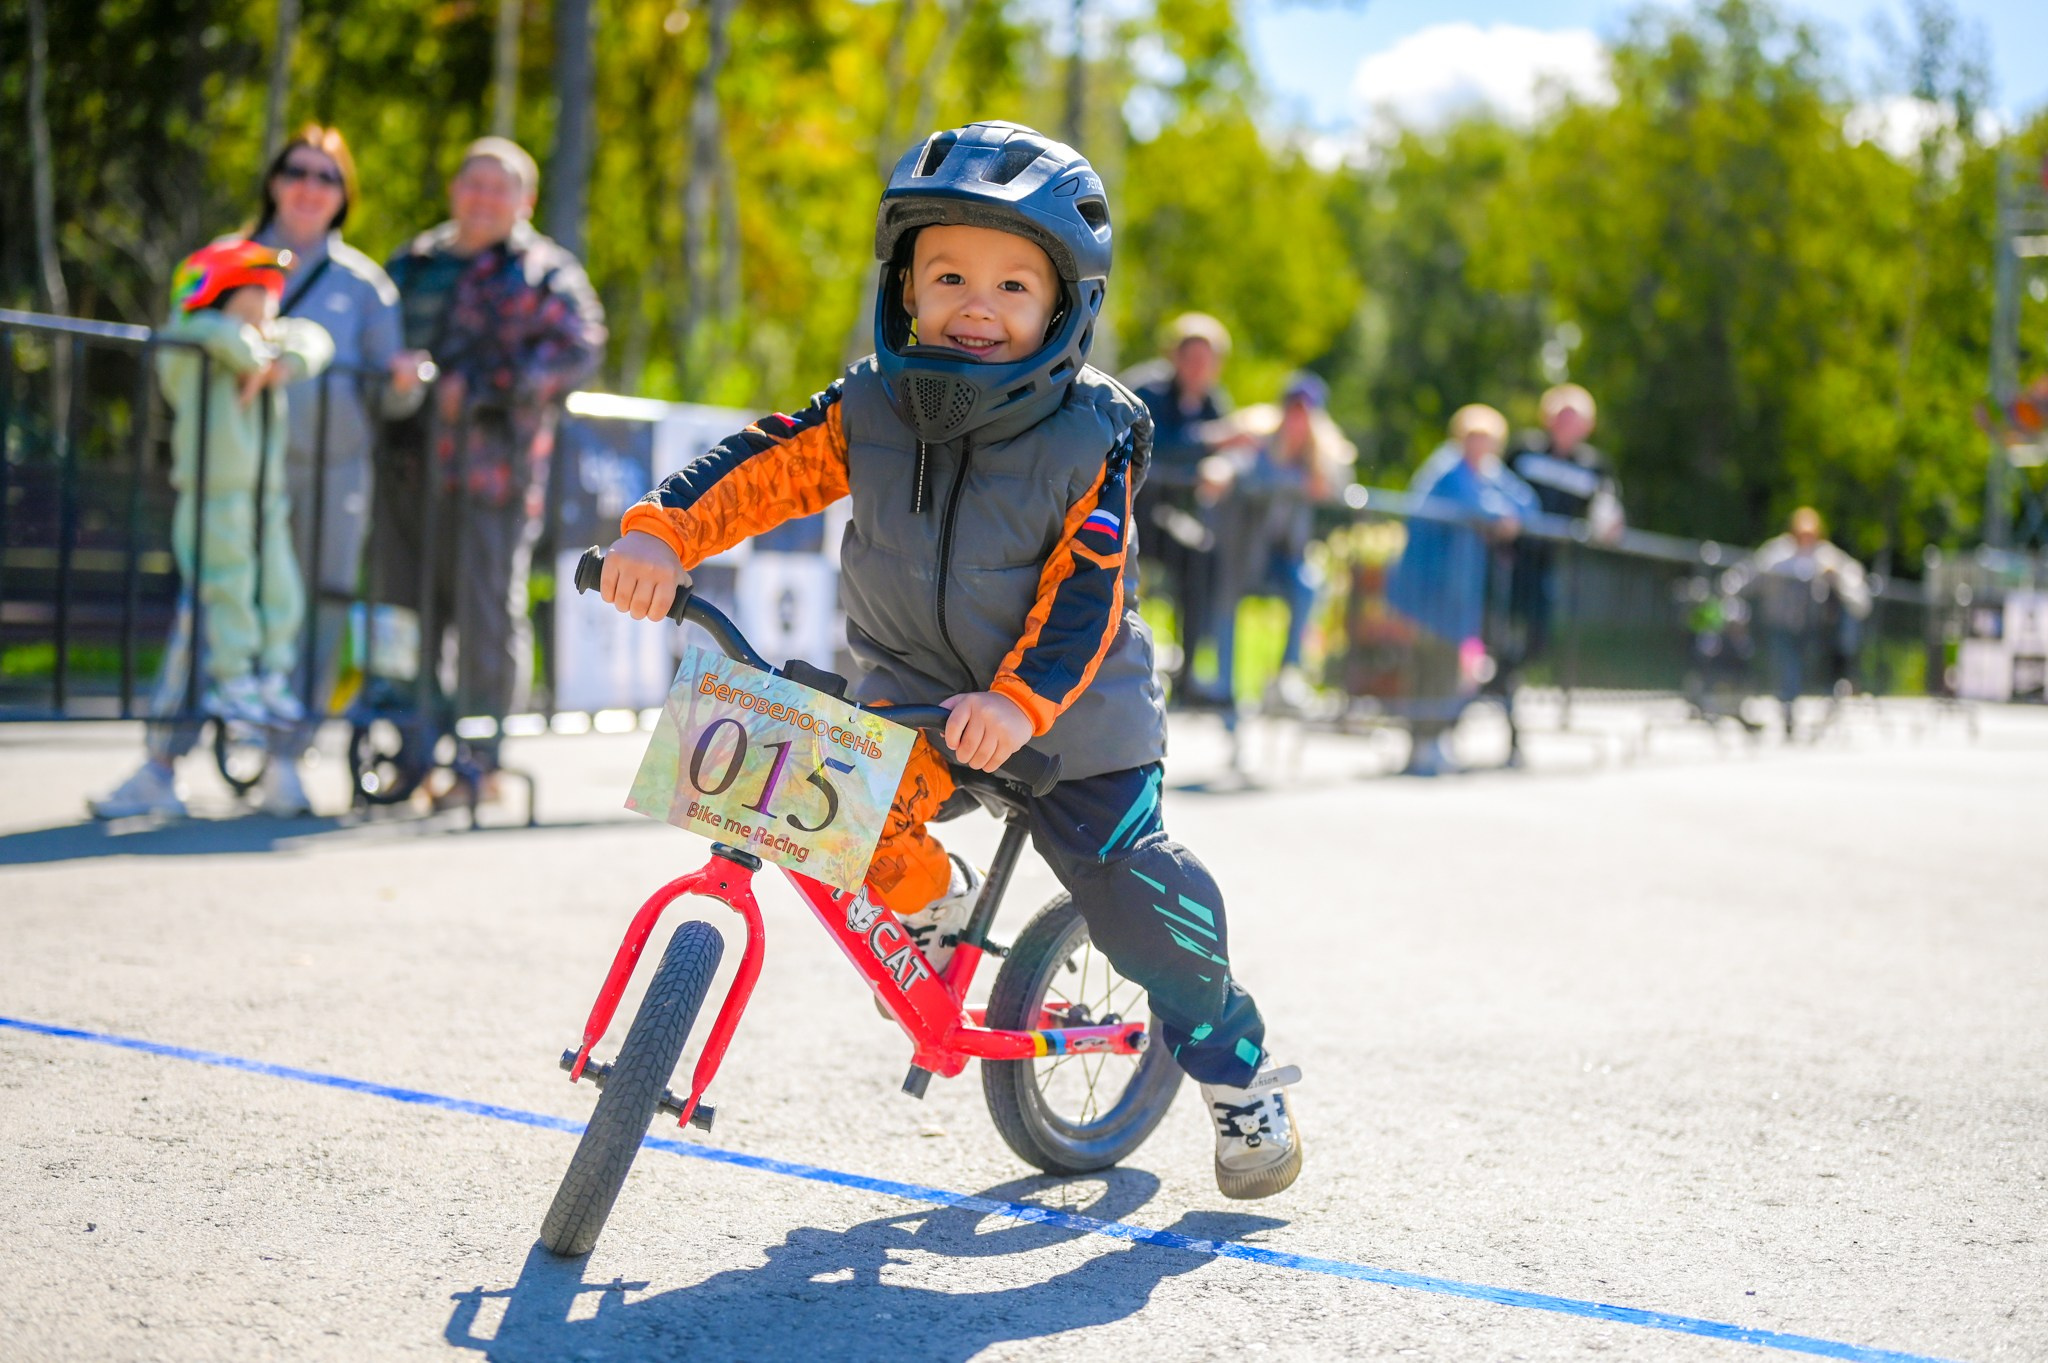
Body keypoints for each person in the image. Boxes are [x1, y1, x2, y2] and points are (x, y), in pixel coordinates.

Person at [599, 121, 1302, 1199]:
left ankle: (1231, 1064)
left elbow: (1085, 590)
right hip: (918, 702)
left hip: (1071, 725)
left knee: (1134, 900)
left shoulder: (1093, 429)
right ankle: (934, 905)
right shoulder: (871, 404)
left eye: (1013, 285)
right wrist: (663, 531)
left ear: (1065, 307)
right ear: (904, 287)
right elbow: (763, 464)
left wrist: (1021, 703)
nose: (977, 304)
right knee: (812, 780)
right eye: (948, 275)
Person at [373, 137, 606, 794]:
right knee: (400, 611)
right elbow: (377, 339)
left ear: (524, 201)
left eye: (499, 187)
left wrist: (484, 387)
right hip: (404, 468)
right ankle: (406, 750)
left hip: (491, 474)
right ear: (454, 190)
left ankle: (481, 760)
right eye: (473, 183)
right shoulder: (414, 262)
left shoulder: (541, 271)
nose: (483, 197)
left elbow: (581, 345)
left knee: (485, 615)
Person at [88, 240, 334, 819]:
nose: (271, 311)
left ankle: (269, 677)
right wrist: (251, 350)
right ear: (221, 294)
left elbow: (315, 340)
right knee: (224, 592)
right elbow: (205, 333)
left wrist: (279, 363)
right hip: (213, 499)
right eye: (259, 296)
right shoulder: (190, 343)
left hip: (261, 500)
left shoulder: (264, 345)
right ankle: (232, 684)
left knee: (280, 594)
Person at [1386, 404, 1539, 776]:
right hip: (1428, 584)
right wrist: (1501, 517)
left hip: (1456, 588)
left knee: (1446, 662)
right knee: (1429, 662)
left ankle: (1432, 739)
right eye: (1474, 438)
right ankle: (1422, 741)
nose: (1480, 447)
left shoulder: (1485, 473)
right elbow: (1477, 507)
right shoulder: (1447, 469)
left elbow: (1526, 505)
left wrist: (1507, 515)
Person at [1205, 371, 1355, 711]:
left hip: (1285, 556)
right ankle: (1223, 687)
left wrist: (1311, 479)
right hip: (1243, 550)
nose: (1298, 418)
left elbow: (1340, 487)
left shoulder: (1320, 457)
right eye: (1294, 408)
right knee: (1226, 605)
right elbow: (1240, 470)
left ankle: (1287, 677)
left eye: (1306, 412)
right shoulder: (1260, 442)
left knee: (1308, 585)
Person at [1126, 313, 1235, 705]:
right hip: (1124, 514)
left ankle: (1188, 675)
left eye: (1206, 362)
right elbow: (1150, 444)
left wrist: (1222, 464)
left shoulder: (1213, 403)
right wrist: (1209, 443)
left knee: (1204, 558)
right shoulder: (1147, 390)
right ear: (1174, 357)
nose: (1198, 369)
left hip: (1167, 518)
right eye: (1191, 359)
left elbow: (1229, 452)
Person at [1502, 383, 1624, 671]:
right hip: (1507, 556)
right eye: (1562, 415)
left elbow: (1607, 507)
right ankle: (1494, 686)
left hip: (1548, 563)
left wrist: (1610, 525)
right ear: (1547, 416)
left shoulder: (1594, 466)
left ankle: (1504, 679)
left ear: (1588, 425)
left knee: (1539, 636)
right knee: (1497, 626)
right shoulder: (1523, 450)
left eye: (1575, 418)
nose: (1567, 424)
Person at [1724, 507, 1871, 737]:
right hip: (1780, 625)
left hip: (1813, 628)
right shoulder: (1778, 552)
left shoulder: (1826, 555)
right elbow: (1751, 572)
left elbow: (1854, 584)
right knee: (1787, 669)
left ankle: (1800, 711)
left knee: (1805, 672)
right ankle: (1788, 714)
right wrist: (1728, 591)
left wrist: (1838, 582)